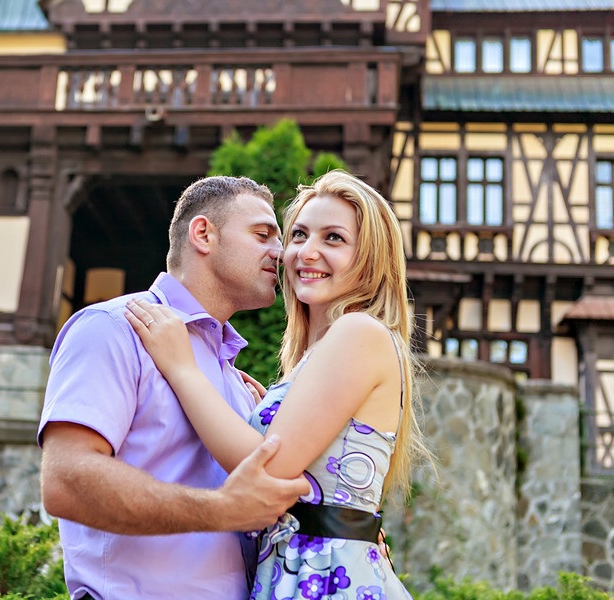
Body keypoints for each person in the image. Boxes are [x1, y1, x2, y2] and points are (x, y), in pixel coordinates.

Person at [125, 170, 430, 600]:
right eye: (300, 234)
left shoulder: (359, 332)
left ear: (370, 258)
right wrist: (261, 414)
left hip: (327, 577)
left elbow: (264, 472)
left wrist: (183, 368)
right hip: (302, 571)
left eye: (334, 239)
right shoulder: (318, 352)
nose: (307, 251)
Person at [38, 175, 312, 600]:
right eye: (262, 234)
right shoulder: (114, 328)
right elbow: (66, 482)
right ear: (203, 234)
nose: (280, 252)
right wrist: (223, 511)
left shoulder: (235, 381)